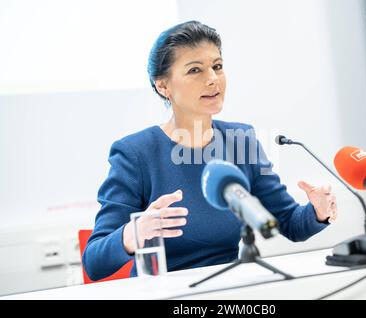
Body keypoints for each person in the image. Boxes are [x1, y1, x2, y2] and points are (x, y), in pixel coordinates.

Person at [82, 20, 338, 281]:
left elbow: (290, 223)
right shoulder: (135, 153)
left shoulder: (241, 141)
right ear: (163, 85)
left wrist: (317, 211)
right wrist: (133, 233)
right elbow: (94, 262)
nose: (213, 79)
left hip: (229, 289)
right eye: (195, 70)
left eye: (217, 66)